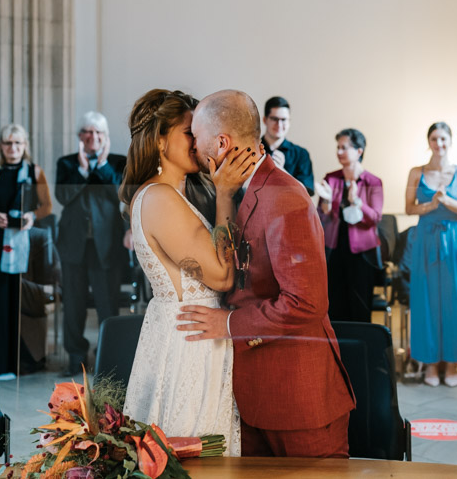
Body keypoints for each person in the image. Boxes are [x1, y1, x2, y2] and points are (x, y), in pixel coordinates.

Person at [180, 90, 355, 458]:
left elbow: (305, 302)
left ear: (221, 142)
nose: (193, 146)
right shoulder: (230, 190)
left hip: (297, 398)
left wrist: (227, 325)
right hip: (253, 395)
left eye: (195, 136)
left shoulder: (284, 195)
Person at [119, 89, 256, 456]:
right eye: (188, 132)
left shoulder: (170, 196)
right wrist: (226, 194)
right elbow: (222, 277)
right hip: (189, 341)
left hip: (193, 332)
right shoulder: (160, 198)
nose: (198, 142)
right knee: (192, 447)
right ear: (161, 140)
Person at [0, 123, 54, 377]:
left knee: (19, 303)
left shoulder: (34, 172)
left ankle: (23, 362)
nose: (13, 148)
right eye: (8, 143)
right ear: (1, 146)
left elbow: (47, 206)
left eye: (18, 143)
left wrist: (30, 217)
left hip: (23, 245)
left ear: (25, 146)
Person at [54, 112, 130, 375]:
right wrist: (83, 170)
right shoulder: (66, 164)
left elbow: (119, 194)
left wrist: (101, 167)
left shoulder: (118, 163)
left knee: (106, 303)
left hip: (106, 244)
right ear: (79, 136)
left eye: (98, 133)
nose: (93, 137)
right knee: (72, 304)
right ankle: (76, 356)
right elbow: (63, 196)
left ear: (106, 137)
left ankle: (106, 357)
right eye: (87, 132)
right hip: (73, 244)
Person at [401, 122, 457, 387]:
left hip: (456, 242)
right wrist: (431, 204)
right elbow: (409, 208)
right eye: (434, 138)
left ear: (450, 141)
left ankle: (452, 365)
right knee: (426, 302)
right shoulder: (416, 172)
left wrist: (446, 201)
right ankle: (430, 365)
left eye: (443, 138)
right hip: (426, 240)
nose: (439, 143)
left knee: (456, 301)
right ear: (429, 141)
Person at [316, 128, 384, 323]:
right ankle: (339, 351)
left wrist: (358, 202)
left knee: (360, 309)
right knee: (335, 307)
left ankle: (361, 352)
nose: (339, 152)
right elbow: (321, 216)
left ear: (359, 152)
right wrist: (327, 202)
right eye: (338, 147)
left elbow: (375, 218)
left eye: (344, 148)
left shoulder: (373, 181)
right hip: (335, 250)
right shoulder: (331, 178)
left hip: (362, 254)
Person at [260, 96, 315, 196]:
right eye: (274, 119)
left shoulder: (301, 154)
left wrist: (282, 172)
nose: (279, 124)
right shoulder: (251, 151)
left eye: (284, 120)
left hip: (291, 211)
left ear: (289, 121)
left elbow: (305, 194)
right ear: (265, 120)